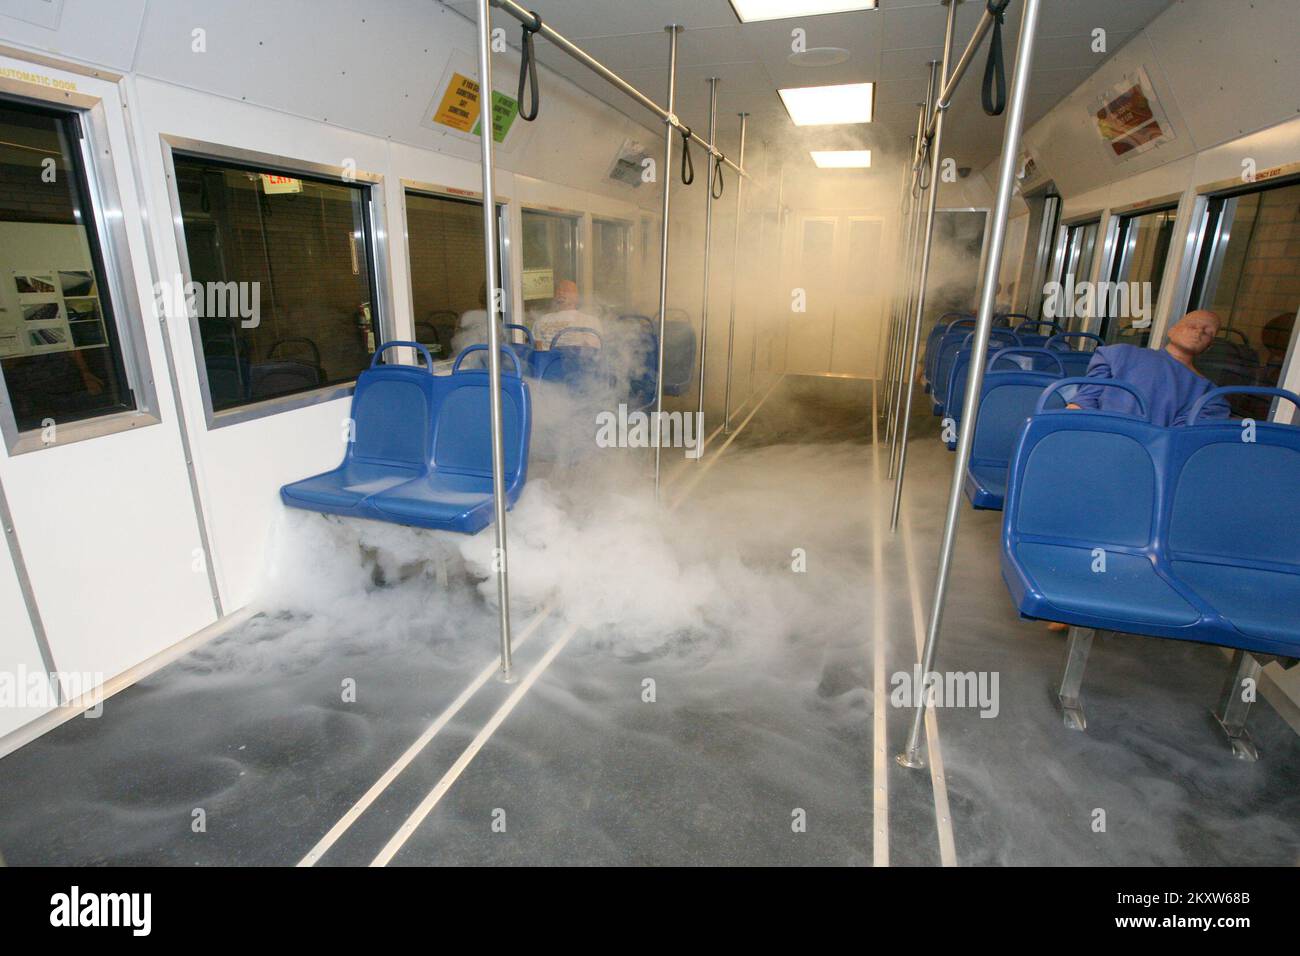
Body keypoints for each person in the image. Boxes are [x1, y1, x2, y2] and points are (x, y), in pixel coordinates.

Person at [1067, 310, 1230, 426]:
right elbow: (1084, 401)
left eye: (1208, 332)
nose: (1199, 332)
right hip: (1095, 435)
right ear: (1171, 331)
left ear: (1209, 346)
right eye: (1192, 326)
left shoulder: (1209, 394)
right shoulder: (1120, 354)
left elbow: (1180, 438)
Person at [532, 279, 602, 350]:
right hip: (547, 360)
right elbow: (538, 350)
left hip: (576, 360)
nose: (561, 293)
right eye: (558, 290)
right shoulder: (542, 320)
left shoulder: (590, 321)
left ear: (576, 297)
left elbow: (593, 353)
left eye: (566, 290)